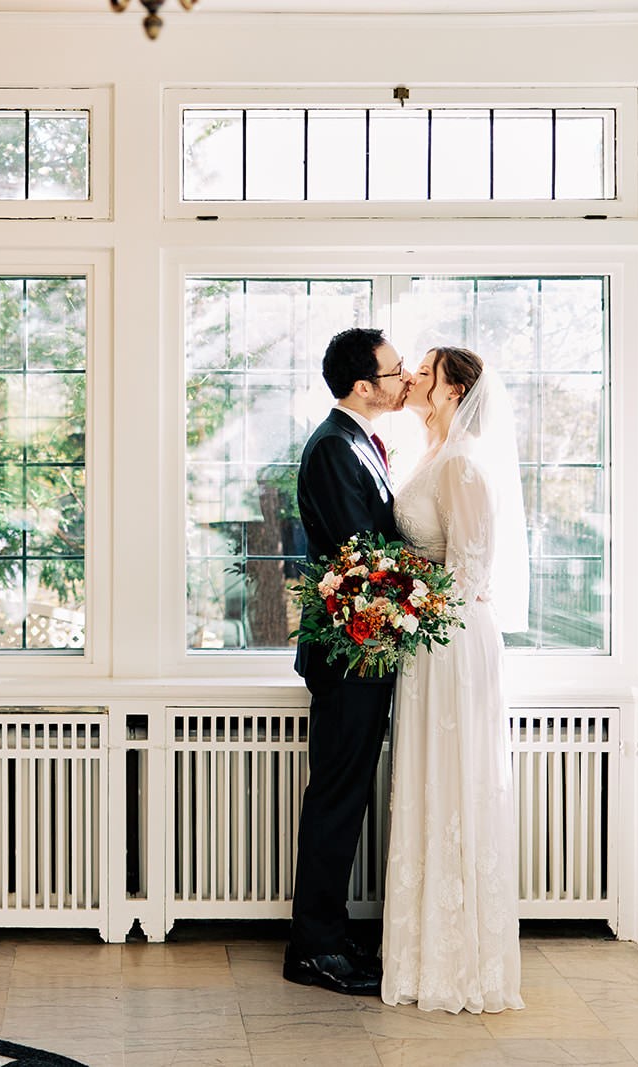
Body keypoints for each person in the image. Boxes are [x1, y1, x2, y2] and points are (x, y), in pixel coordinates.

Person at [379, 345, 528, 1014]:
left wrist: (405, 604)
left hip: (452, 643)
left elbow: (469, 571)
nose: (412, 376)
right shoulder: (431, 453)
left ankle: (459, 963)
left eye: (425, 369)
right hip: (427, 641)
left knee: (456, 786)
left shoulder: (463, 462)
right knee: (427, 787)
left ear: (452, 389)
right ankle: (423, 955)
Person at [284, 327, 407, 996]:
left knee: (347, 793)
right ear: (364, 385)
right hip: (349, 654)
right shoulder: (334, 445)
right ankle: (315, 948)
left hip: (365, 649)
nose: (405, 378)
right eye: (395, 370)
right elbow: (361, 555)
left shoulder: (360, 441)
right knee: (336, 796)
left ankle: (330, 932)